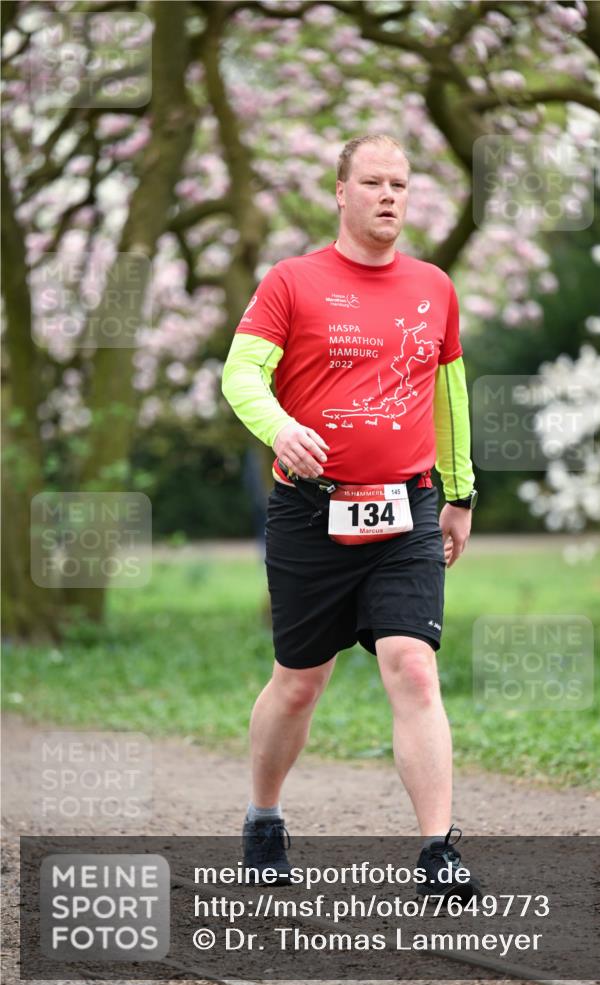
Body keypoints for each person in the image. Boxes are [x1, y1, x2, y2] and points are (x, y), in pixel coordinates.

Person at [221, 134, 479, 899]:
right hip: (310, 515)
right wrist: (280, 428)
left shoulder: (434, 286)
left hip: (407, 509)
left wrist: (459, 494)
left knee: (413, 666)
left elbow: (450, 396)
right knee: (300, 682)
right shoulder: (292, 281)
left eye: (400, 182)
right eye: (372, 181)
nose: (389, 195)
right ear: (340, 191)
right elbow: (240, 374)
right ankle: (263, 816)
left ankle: (437, 850)